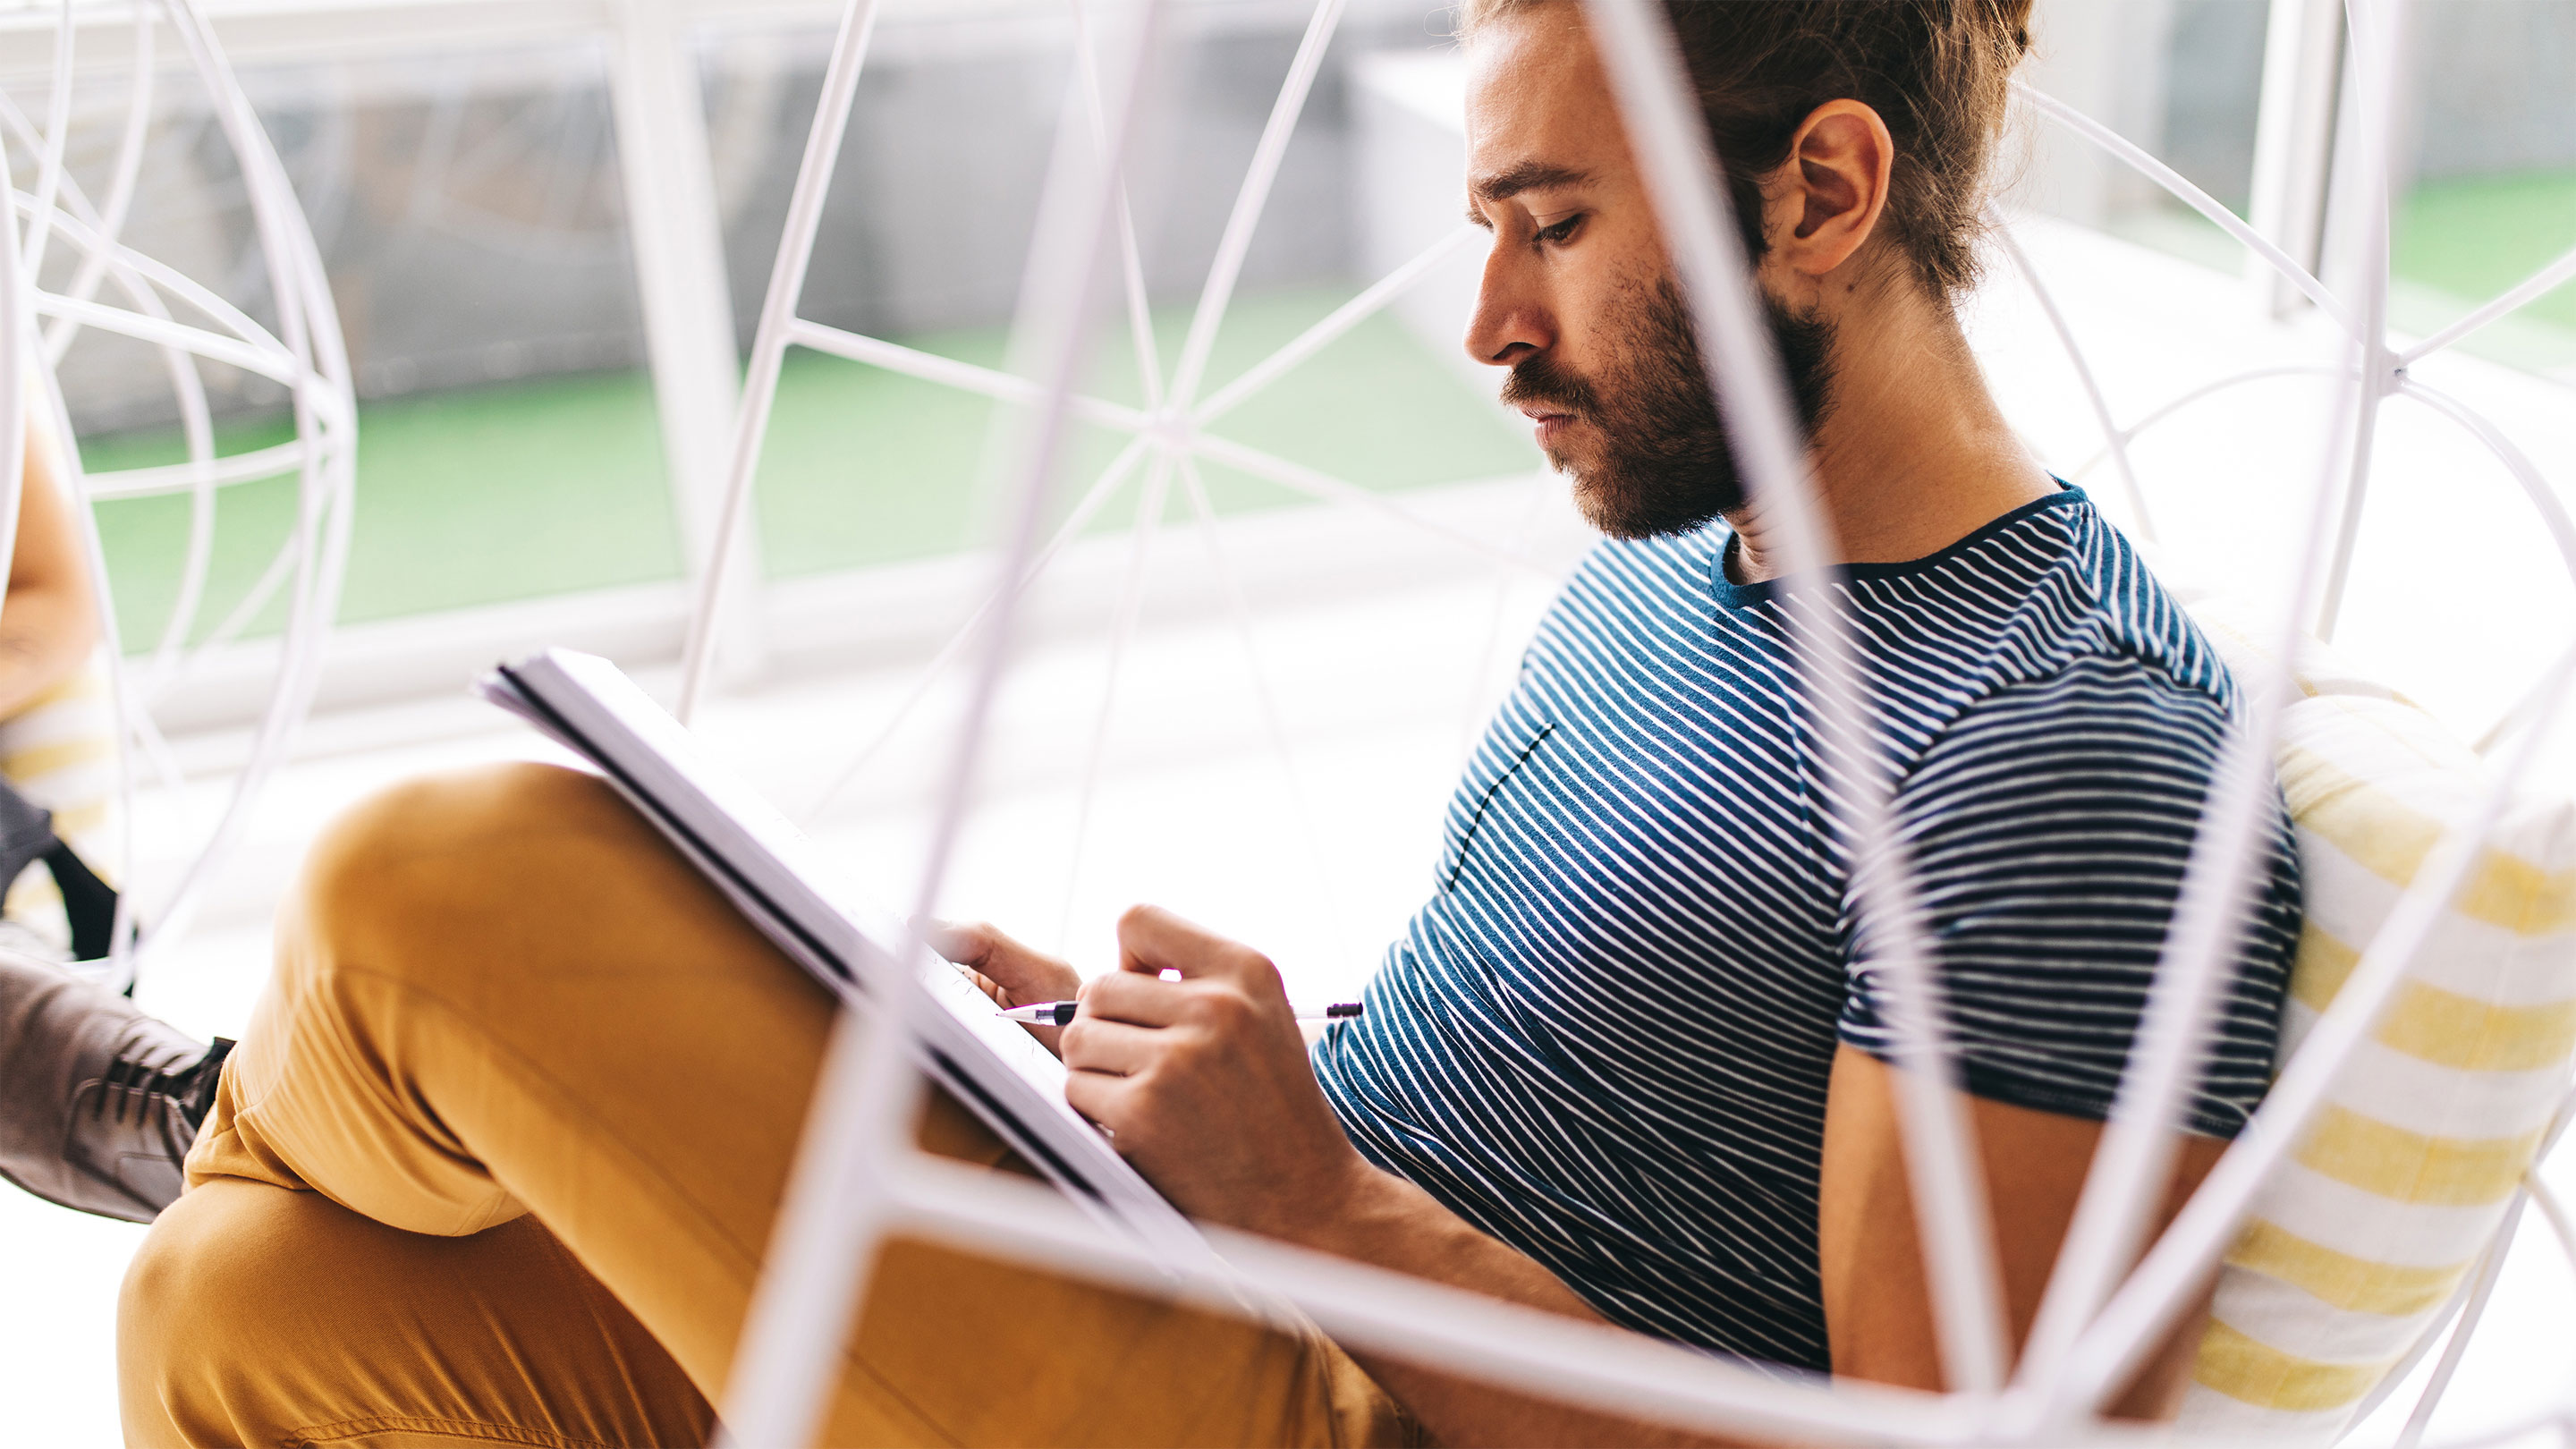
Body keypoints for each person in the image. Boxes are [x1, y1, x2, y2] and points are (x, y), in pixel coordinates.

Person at [106, 1, 2302, 1444]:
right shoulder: (1679, 559)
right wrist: (1108, 1084)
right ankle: (296, 1124)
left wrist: (1327, 1212)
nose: (1485, 322)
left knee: (434, 887)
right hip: (1222, 1278)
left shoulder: (2058, 755)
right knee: (239, 1318)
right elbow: (1551, 1101)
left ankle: (194, 1087)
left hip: (1348, 1393)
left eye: (1555, 227)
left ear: (1821, 195)